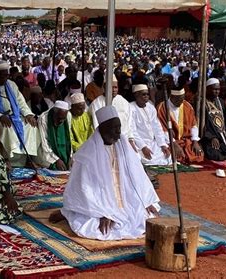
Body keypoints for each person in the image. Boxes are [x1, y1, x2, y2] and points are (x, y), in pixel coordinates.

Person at [59, 106, 160, 240]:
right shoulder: (87, 154)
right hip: (97, 206)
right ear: (103, 129)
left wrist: (146, 200)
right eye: (114, 128)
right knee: (97, 228)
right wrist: (102, 213)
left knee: (143, 217)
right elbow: (85, 189)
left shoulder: (122, 145)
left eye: (119, 127)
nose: (118, 132)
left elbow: (137, 175)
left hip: (125, 201)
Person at [0, 60, 40, 165]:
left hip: (15, 116)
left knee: (31, 126)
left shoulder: (11, 84)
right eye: (1, 76)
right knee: (7, 128)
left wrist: (28, 114)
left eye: (6, 75)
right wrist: (0, 116)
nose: (4, 78)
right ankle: (9, 160)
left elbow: (21, 102)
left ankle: (26, 159)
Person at [156, 88, 204, 164]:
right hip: (170, 141)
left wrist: (195, 141)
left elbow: (193, 125)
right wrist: (174, 144)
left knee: (198, 153)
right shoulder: (162, 107)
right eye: (178, 99)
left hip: (185, 141)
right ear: (171, 96)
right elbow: (162, 130)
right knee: (171, 155)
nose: (181, 102)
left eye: (182, 99)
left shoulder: (187, 106)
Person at [88, 75, 136, 150]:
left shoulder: (123, 101)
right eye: (111, 87)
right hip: (105, 142)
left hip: (124, 139)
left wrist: (131, 138)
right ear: (104, 87)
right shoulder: (97, 103)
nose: (114, 90)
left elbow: (129, 123)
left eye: (115, 87)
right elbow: (96, 125)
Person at [201, 78, 226, 161]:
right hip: (210, 136)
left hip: (224, 135)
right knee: (215, 154)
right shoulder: (202, 103)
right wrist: (211, 137)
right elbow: (201, 125)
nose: (217, 92)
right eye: (214, 89)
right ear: (207, 89)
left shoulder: (221, 102)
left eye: (218, 90)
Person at [130, 84, 171, 165]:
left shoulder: (150, 107)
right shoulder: (131, 108)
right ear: (136, 95)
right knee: (143, 159)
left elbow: (157, 127)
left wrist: (162, 144)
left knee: (167, 157)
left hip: (152, 142)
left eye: (147, 94)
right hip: (139, 143)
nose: (146, 96)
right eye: (143, 94)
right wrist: (143, 147)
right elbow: (133, 131)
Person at [37, 101, 73, 170]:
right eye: (59, 118)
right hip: (47, 153)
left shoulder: (68, 115)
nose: (61, 121)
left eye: (63, 119)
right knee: (54, 168)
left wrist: (70, 156)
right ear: (54, 113)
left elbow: (69, 138)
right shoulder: (43, 118)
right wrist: (56, 160)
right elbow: (45, 143)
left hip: (63, 151)